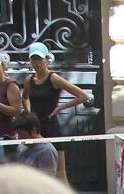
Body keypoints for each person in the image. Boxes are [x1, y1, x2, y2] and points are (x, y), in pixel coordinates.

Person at [21, 40, 91, 185]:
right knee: (35, 170)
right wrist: (29, 114)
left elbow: (83, 96)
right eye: (33, 59)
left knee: (59, 172)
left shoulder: (54, 78)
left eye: (40, 59)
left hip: (51, 127)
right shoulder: (29, 80)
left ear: (47, 59)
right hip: (34, 130)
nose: (37, 63)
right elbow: (25, 97)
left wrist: (60, 107)